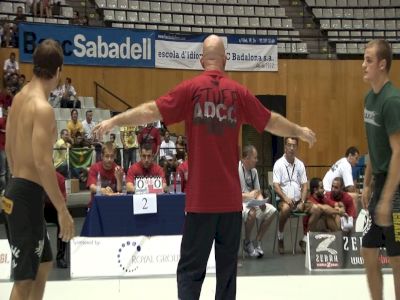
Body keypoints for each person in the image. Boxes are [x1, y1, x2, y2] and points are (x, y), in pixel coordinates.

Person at [93, 34, 316, 300]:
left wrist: (115, 121)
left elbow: (150, 111)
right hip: (231, 206)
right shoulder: (238, 93)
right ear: (226, 60)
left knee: (190, 272)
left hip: (200, 204)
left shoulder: (189, 90)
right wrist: (299, 130)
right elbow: (271, 121)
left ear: (201, 61)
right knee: (227, 274)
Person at [1, 39, 74, 300]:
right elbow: (44, 164)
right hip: (25, 197)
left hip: (16, 190)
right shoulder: (42, 109)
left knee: (42, 263)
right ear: (58, 71)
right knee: (24, 279)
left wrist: (18, 182)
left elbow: (9, 148)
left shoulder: (19, 99)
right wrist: (63, 210)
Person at [361, 39, 400, 300]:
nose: (363, 65)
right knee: (368, 251)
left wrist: (387, 199)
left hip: (396, 189)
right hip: (379, 184)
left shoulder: (392, 100)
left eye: (368, 60)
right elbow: (374, 144)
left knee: (397, 258)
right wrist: (366, 183)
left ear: (382, 64)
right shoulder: (369, 99)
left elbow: (399, 151)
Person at [239, 145, 277, 258]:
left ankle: (257, 241)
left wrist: (261, 202)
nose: (257, 160)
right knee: (252, 213)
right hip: (239, 202)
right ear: (246, 158)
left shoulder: (254, 171)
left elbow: (258, 191)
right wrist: (248, 195)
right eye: (254, 158)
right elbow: (232, 194)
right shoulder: (236, 169)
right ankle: (247, 241)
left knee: (272, 211)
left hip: (252, 202)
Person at [273, 137, 308, 254]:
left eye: (294, 145)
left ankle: (304, 239)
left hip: (298, 201)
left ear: (296, 147)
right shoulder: (278, 164)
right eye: (289, 145)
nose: (291, 148)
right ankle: (280, 236)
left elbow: (305, 185)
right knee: (286, 208)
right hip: (283, 200)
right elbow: (276, 186)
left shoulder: (300, 165)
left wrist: (302, 202)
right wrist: (286, 199)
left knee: (316, 209)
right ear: (285, 147)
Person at [43, 171, 69, 269]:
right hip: (38, 206)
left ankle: (60, 257)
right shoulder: (34, 176)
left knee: (63, 223)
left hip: (54, 207)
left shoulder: (60, 178)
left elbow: (63, 201)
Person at [86, 141, 124, 208]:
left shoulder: (118, 169)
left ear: (115, 156)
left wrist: (118, 179)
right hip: (96, 206)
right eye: (107, 156)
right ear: (102, 156)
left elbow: (119, 191)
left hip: (113, 205)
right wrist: (104, 190)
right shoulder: (94, 168)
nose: (109, 159)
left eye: (112, 156)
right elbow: (92, 187)